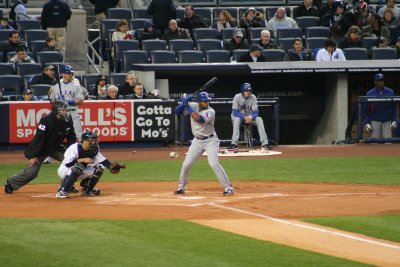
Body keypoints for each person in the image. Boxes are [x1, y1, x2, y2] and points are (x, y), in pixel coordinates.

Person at [4, 100, 76, 194]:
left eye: (65, 110)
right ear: (55, 111)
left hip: (56, 147)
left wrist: (73, 151)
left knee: (72, 161)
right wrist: (33, 156)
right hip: (42, 148)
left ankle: (66, 186)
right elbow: (38, 138)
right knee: (31, 173)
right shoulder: (46, 120)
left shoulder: (68, 119)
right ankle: (11, 183)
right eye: (62, 110)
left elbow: (71, 137)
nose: (65, 112)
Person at [174, 92, 234, 196]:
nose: (207, 102)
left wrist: (187, 105)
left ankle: (228, 187)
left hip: (210, 141)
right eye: (205, 101)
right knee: (186, 164)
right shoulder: (193, 106)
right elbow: (176, 111)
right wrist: (183, 103)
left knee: (213, 163)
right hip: (197, 141)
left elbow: (199, 119)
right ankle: (181, 187)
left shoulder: (210, 111)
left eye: (208, 100)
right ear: (199, 102)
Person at [55, 130, 121, 198]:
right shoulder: (74, 148)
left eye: (95, 140)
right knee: (78, 167)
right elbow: (68, 163)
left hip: (79, 170)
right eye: (91, 140)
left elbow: (103, 160)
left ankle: (87, 190)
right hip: (65, 170)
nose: (93, 142)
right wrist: (83, 159)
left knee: (99, 167)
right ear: (84, 141)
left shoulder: (94, 149)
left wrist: (111, 167)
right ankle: (62, 191)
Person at [228, 83, 273, 150]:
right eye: (246, 90)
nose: (248, 92)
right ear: (242, 91)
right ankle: (234, 143)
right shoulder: (237, 97)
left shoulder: (253, 97)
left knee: (259, 119)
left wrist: (251, 117)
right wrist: (244, 117)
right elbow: (235, 112)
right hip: (239, 117)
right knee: (237, 119)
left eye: (249, 90)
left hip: (249, 117)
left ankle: (265, 143)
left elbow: (256, 112)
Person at [49, 65, 84, 141]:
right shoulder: (56, 86)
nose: (70, 75)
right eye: (68, 73)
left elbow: (80, 101)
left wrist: (68, 102)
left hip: (72, 112)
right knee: (57, 134)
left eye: (71, 73)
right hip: (60, 113)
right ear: (63, 74)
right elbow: (52, 101)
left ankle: (80, 150)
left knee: (78, 134)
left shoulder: (76, 85)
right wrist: (59, 102)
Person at [364, 73, 398, 139]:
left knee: (387, 143)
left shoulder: (390, 92)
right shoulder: (369, 93)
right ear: (375, 82)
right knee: (374, 143)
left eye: (382, 80)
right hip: (375, 121)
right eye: (379, 80)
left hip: (387, 121)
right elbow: (366, 110)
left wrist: (394, 120)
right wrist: (367, 122)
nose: (381, 82)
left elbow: (394, 108)